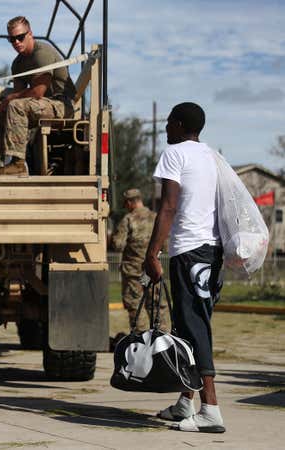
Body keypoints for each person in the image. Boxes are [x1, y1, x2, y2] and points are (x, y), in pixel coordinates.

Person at [143, 102, 225, 433]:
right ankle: (185, 402)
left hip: (189, 251)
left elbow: (168, 206)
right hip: (212, 252)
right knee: (190, 327)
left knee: (193, 328)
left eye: (168, 123)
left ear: (178, 125)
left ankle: (211, 411)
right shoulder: (212, 157)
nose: (165, 128)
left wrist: (152, 253)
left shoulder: (175, 153)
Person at [0, 16, 76, 176]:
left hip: (61, 104)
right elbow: (20, 94)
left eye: (20, 37)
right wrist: (7, 102)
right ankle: (8, 162)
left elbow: (37, 92)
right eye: (12, 39)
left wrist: (10, 99)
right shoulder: (17, 64)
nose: (16, 42)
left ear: (30, 34)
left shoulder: (42, 53)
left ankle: (18, 164)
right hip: (41, 105)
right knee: (0, 117)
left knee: (15, 106)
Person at [111, 188, 169, 333]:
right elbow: (166, 244)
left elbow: (118, 245)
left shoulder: (128, 219)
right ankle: (162, 337)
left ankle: (141, 338)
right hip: (153, 269)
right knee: (156, 304)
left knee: (135, 304)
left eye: (126, 204)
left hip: (133, 272)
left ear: (130, 202)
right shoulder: (156, 217)